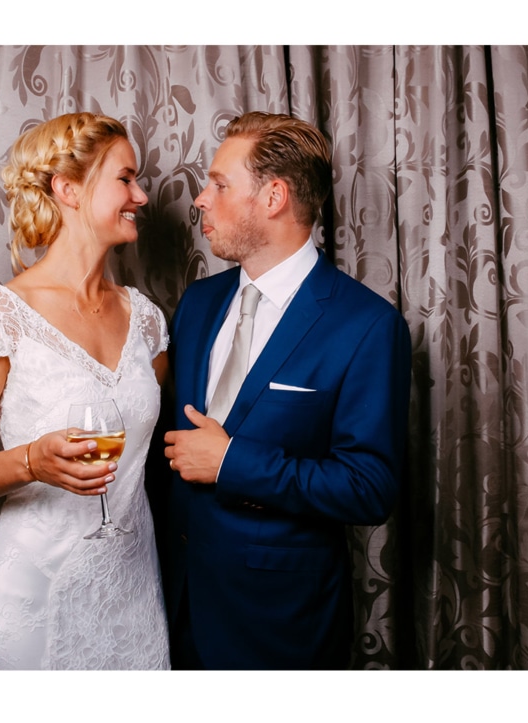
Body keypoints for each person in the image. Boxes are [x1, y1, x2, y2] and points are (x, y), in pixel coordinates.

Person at [153, 111, 411, 669]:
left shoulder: (366, 325)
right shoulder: (197, 304)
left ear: (274, 197)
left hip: (278, 624)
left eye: (220, 185)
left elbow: (370, 487)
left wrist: (232, 463)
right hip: (169, 609)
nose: (200, 199)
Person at [0, 111, 172, 669]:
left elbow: (146, 445)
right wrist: (31, 462)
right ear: (68, 189)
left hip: (131, 589)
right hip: (33, 588)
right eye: (125, 178)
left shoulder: (146, 320)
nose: (140, 195)